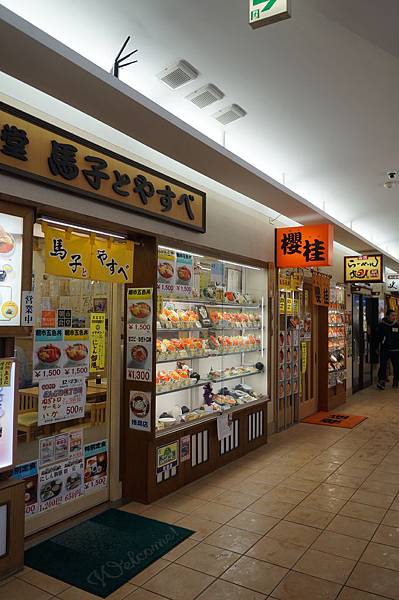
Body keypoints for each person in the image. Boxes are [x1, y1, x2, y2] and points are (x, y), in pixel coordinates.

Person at [376, 309, 399, 389]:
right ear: (387, 316)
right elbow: (377, 338)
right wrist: (376, 348)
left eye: (395, 315)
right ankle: (381, 381)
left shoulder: (397, 325)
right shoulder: (382, 325)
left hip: (396, 350)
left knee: (397, 367)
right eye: (393, 315)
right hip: (385, 349)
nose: (394, 317)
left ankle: (395, 380)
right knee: (383, 366)